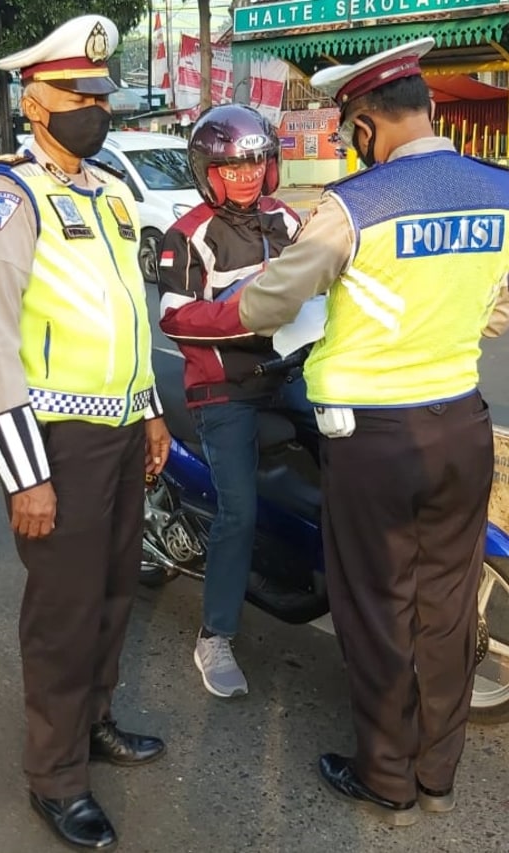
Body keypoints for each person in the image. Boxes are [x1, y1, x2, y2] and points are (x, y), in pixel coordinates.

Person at [235, 37, 509, 825]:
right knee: (448, 606)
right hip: (460, 424)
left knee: (378, 606)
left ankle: (386, 778)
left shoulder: (356, 204)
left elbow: (266, 306)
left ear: (363, 124)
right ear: (428, 107)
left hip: (373, 441)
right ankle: (437, 774)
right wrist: (455, 330)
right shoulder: (496, 187)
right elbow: (500, 304)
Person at [0, 15, 171, 850]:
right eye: (79, 94)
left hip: (120, 435)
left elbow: (129, 316)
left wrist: (151, 407)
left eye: (100, 93)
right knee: (63, 611)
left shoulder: (109, 193)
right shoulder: (9, 199)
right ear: (34, 99)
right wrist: (25, 476)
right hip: (56, 443)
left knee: (115, 594)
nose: (96, 107)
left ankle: (95, 723)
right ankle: (54, 775)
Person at [157, 104, 316, 699]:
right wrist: (246, 312)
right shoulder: (188, 234)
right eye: (234, 165)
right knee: (239, 511)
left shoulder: (289, 220)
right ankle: (215, 634)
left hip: (291, 374)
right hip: (224, 389)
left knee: (357, 452)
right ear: (209, 170)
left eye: (257, 162)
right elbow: (174, 316)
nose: (248, 174)